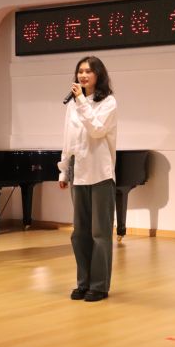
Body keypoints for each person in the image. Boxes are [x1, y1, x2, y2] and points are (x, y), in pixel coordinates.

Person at [58, 56, 118, 303]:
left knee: (99, 232)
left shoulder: (108, 102)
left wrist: (82, 102)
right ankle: (83, 282)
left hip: (100, 172)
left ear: (98, 75)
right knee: (79, 233)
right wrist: (63, 170)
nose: (82, 76)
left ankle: (99, 285)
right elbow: (68, 139)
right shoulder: (73, 105)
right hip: (78, 171)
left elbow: (97, 130)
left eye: (88, 72)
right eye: (80, 71)